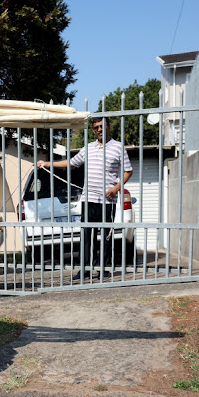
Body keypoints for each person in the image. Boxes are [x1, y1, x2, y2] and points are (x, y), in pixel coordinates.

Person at [37, 117, 133, 280]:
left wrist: (116, 188)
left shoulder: (118, 147)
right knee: (87, 236)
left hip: (107, 200)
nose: (99, 130)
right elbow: (72, 163)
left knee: (106, 236)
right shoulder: (88, 148)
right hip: (89, 200)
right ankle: (85, 269)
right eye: (96, 127)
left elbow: (128, 171)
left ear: (109, 126)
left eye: (102, 126)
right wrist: (47, 163)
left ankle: (104, 269)